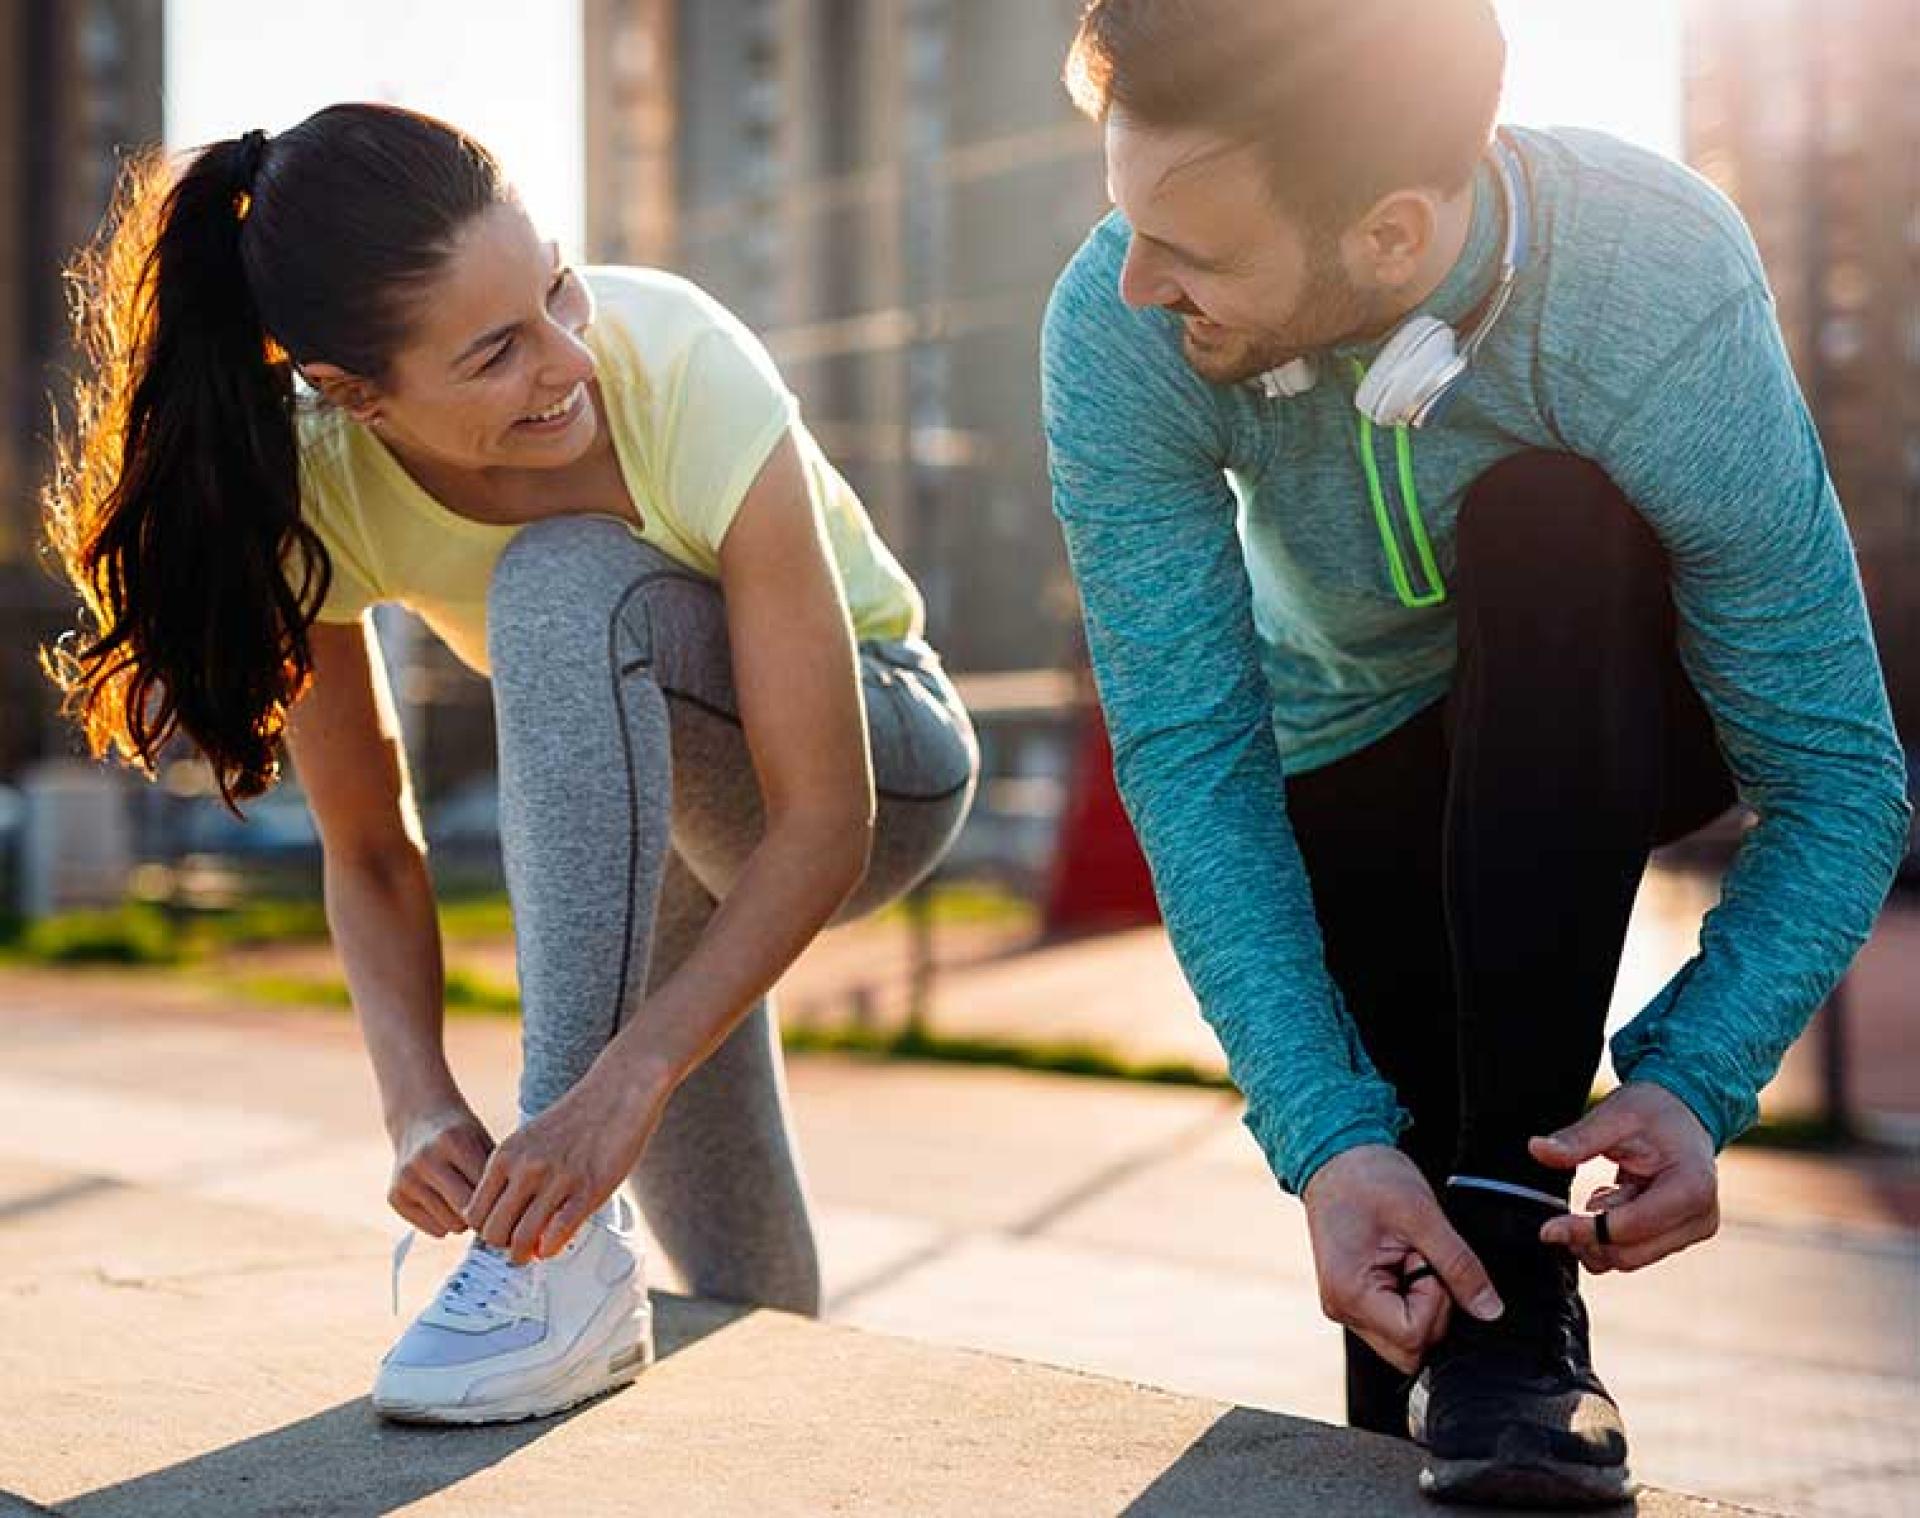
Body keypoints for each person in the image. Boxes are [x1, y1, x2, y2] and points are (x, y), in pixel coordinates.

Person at [1042, 1, 1909, 1506]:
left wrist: (1700, 1076)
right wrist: (1321, 1140)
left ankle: (1514, 1226)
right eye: (1125, 216)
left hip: (1625, 707)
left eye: (1186, 242)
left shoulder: (1650, 276)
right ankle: (1498, 1345)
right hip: (1352, 752)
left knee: (1549, 518)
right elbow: (1192, 762)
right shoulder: (1116, 332)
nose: (1134, 280)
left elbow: (1841, 779)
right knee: (1415, 1294)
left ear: (1386, 234)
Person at [42, 103, 978, 1426]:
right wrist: (415, 1100)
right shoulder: (319, 491)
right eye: (495, 352)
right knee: (736, 1269)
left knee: (560, 585)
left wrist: (615, 1083)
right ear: (353, 395)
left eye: (555, 284)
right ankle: (738, 1415)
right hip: (654, 815)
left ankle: (537, 1263)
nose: (566, 359)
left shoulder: (681, 363)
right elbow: (368, 845)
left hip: (884, 763)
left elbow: (827, 818)